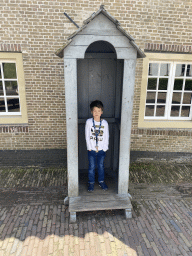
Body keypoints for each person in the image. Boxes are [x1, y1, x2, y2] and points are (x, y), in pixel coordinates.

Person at [85, 100, 109, 192]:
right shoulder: (89, 122)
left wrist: (105, 148)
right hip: (91, 149)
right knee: (91, 166)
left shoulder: (105, 123)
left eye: (99, 111)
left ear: (101, 112)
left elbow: (106, 136)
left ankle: (101, 181)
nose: (96, 113)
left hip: (102, 149)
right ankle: (91, 182)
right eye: (94, 111)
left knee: (101, 166)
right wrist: (89, 148)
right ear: (91, 112)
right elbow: (87, 136)